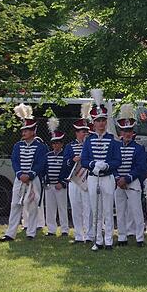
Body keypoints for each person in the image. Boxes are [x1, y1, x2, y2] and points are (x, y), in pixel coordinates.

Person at [80, 90, 122, 250]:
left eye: (103, 120)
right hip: (92, 177)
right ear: (93, 123)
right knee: (95, 210)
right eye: (98, 121)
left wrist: (107, 165)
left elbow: (118, 160)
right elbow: (84, 160)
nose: (101, 123)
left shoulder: (113, 140)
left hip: (108, 177)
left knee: (107, 210)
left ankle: (109, 240)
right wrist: (92, 165)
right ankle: (97, 240)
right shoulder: (88, 141)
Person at [0, 104, 48, 242]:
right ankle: (10, 233)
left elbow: (41, 163)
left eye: (27, 130)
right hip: (19, 179)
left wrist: (31, 174)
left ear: (33, 131)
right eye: (23, 130)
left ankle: (31, 232)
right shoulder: (17, 145)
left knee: (33, 206)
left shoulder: (40, 146)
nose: (24, 133)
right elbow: (14, 161)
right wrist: (20, 174)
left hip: (34, 180)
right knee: (15, 204)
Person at [114, 103, 147, 247]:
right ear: (121, 131)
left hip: (132, 182)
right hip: (118, 183)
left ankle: (140, 238)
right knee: (120, 211)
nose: (127, 133)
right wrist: (117, 178)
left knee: (136, 211)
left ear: (133, 132)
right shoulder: (115, 146)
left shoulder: (138, 148)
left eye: (129, 130)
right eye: (125, 130)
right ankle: (122, 237)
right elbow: (112, 163)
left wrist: (127, 178)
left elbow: (140, 167)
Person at [63, 104, 92, 243]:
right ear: (76, 132)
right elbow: (65, 162)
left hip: (87, 180)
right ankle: (79, 235)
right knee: (76, 208)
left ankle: (89, 234)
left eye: (86, 131)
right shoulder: (70, 146)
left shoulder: (91, 145)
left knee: (88, 208)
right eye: (81, 131)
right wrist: (72, 160)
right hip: (74, 180)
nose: (84, 133)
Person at [44, 118, 69, 237]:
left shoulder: (65, 155)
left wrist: (63, 183)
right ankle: (51, 230)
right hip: (50, 186)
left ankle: (64, 230)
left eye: (58, 142)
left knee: (62, 208)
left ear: (62, 144)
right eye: (53, 143)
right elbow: (44, 170)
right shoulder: (47, 155)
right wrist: (45, 181)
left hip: (60, 186)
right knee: (50, 209)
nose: (55, 145)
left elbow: (68, 172)